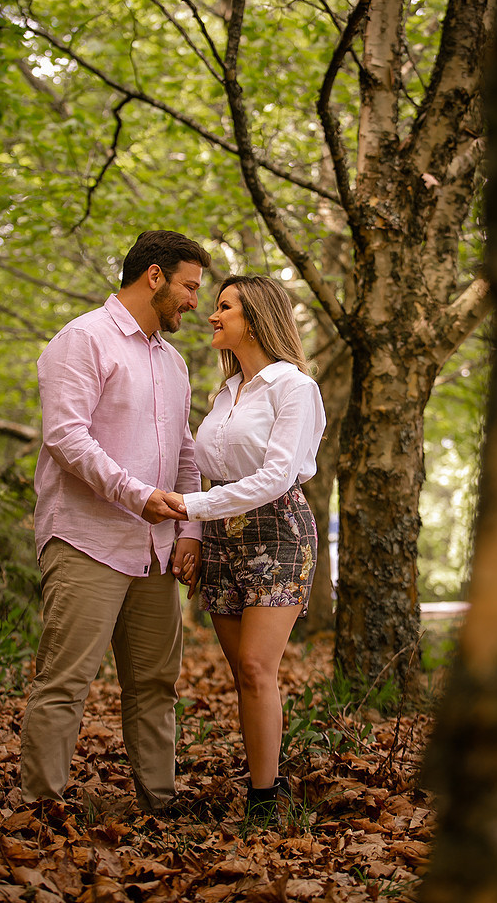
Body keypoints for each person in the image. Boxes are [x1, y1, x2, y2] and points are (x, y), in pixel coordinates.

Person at [20, 229, 211, 812]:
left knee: (155, 683)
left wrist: (190, 531)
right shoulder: (82, 340)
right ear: (154, 276)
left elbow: (184, 454)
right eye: (189, 287)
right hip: (88, 539)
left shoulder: (173, 363)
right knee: (65, 681)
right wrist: (136, 494)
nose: (195, 302)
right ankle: (41, 809)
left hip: (155, 550)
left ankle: (160, 802)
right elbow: (65, 438)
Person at [164, 275, 326, 824]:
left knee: (257, 666)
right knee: (243, 672)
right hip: (220, 536)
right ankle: (267, 777)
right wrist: (196, 530)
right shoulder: (225, 393)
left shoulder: (294, 387)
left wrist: (191, 508)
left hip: (277, 531)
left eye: (224, 306)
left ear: (255, 319)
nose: (211, 314)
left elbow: (277, 476)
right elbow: (205, 469)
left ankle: (264, 801)